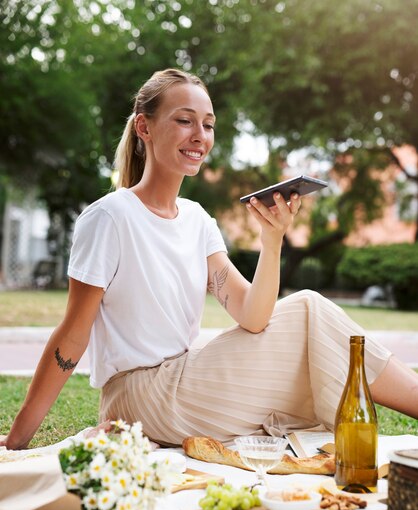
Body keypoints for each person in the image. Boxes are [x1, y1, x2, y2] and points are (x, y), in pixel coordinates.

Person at [1, 68, 418, 451]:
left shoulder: (198, 220)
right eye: (184, 120)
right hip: (139, 398)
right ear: (144, 127)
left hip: (183, 380)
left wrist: (271, 242)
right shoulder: (109, 217)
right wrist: (17, 438)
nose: (200, 134)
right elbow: (72, 336)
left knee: (307, 314)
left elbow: (254, 318)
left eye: (208, 124)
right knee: (311, 308)